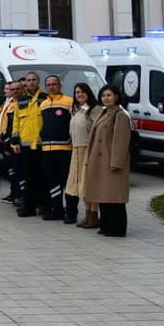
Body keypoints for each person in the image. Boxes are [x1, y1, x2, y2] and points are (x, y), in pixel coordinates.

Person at [85, 85, 133, 237]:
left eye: (109, 95)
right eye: (103, 95)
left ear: (116, 97)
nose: (105, 98)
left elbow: (121, 141)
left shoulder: (120, 115)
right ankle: (106, 225)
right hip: (99, 162)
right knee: (103, 196)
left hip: (111, 162)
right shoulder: (104, 113)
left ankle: (117, 228)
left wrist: (116, 162)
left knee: (114, 197)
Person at [10, 73, 47, 218]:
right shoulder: (21, 100)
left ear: (38, 82)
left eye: (34, 80)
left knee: (43, 178)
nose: (31, 83)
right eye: (28, 80)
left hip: (41, 145)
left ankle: (44, 205)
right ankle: (29, 206)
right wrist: (14, 140)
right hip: (25, 145)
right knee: (27, 177)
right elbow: (16, 122)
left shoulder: (44, 98)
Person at [38, 75, 74, 221]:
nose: (51, 86)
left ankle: (71, 212)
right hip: (47, 149)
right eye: (48, 84)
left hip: (64, 148)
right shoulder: (44, 104)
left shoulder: (69, 102)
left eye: (54, 84)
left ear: (60, 85)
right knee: (52, 180)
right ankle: (56, 208)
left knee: (67, 181)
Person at [65, 83, 97, 226]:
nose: (79, 95)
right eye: (77, 92)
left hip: (88, 150)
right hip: (76, 150)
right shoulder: (76, 110)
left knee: (89, 185)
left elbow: (98, 131)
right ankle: (87, 213)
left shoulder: (94, 110)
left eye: (82, 92)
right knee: (80, 186)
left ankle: (94, 215)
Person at [0, 80, 22, 205]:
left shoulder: (16, 104)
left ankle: (17, 195)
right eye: (8, 89)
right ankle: (13, 193)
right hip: (4, 139)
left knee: (16, 170)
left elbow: (12, 125)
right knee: (11, 171)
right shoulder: (8, 103)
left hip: (12, 141)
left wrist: (7, 141)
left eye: (10, 89)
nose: (9, 91)